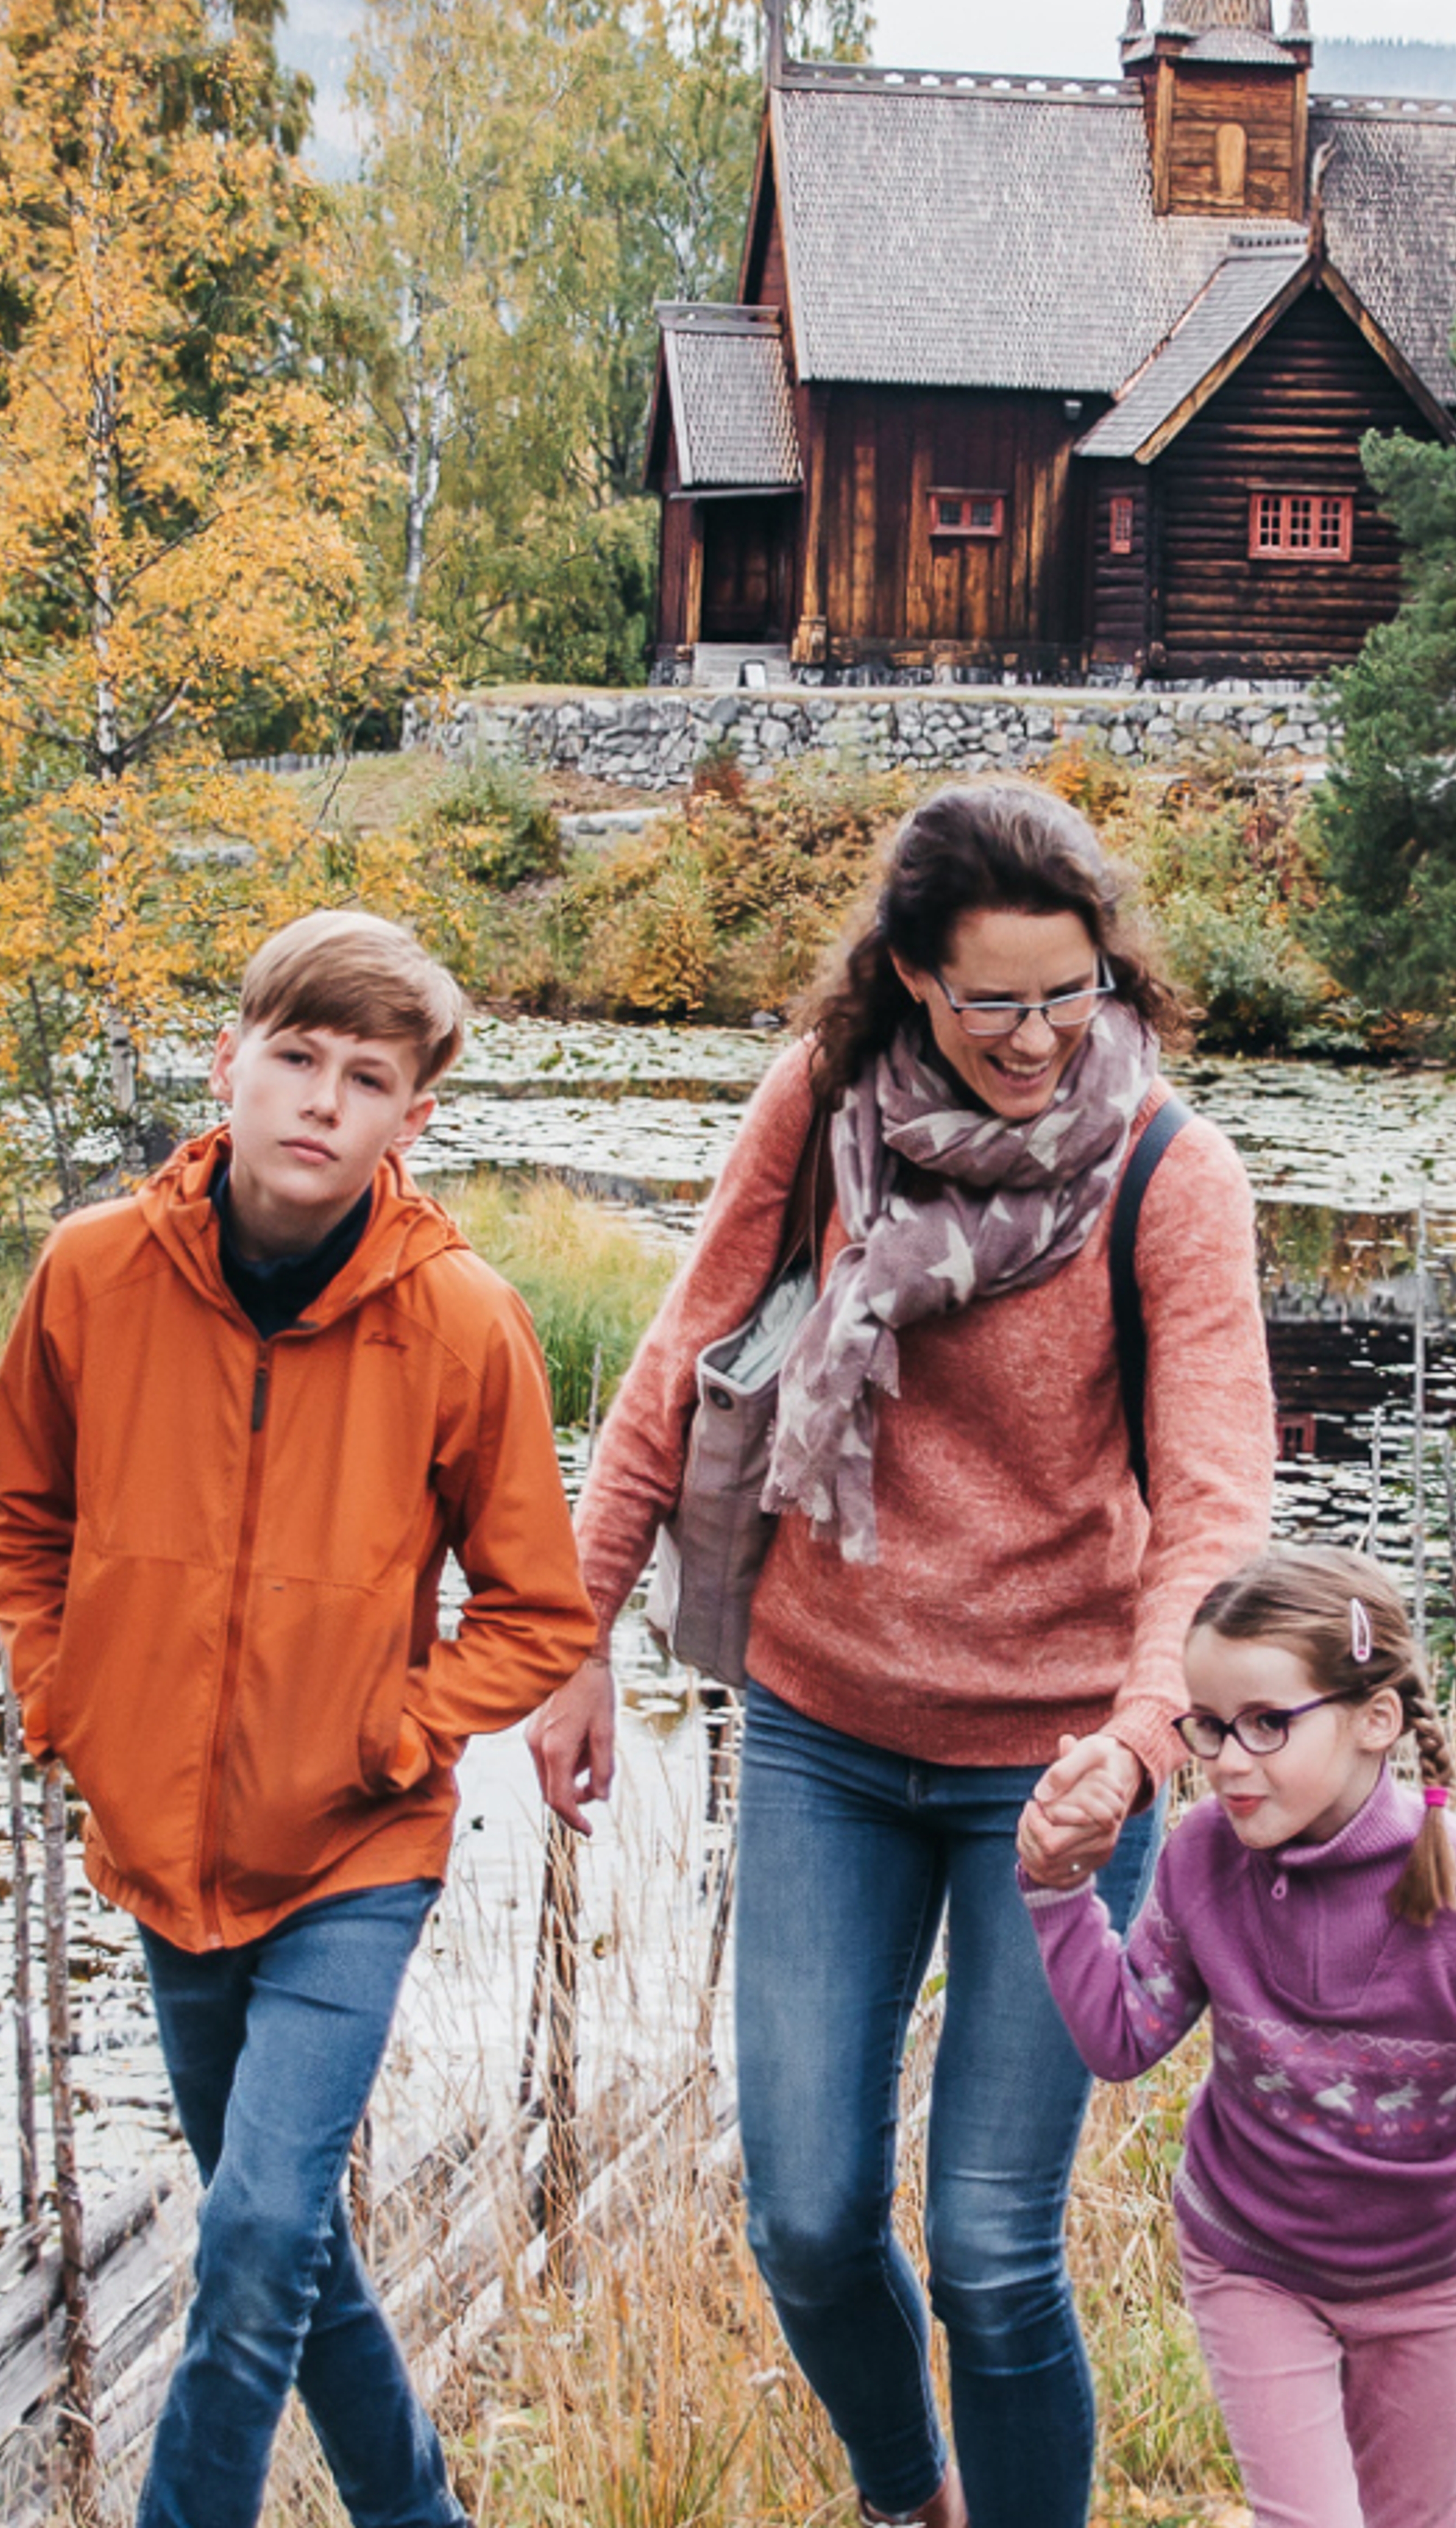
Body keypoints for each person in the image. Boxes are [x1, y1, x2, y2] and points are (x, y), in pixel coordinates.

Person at [527, 779, 1276, 2528]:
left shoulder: (1169, 1169)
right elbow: (681, 1353)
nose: (1035, 1037)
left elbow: (1221, 1496)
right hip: (825, 1727)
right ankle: (907, 2496)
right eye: (991, 1000)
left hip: (1062, 1763)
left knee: (994, 2251)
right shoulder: (823, 1109)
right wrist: (570, 1638)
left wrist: (1147, 1735)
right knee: (802, 2217)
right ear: (912, 983)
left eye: (1069, 992)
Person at [0, 910, 597, 2528]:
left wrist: (399, 1732)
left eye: (367, 1077)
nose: (324, 1101)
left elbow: (539, 1609)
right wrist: (68, 1699)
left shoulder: (460, 1319)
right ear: (230, 1065)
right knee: (290, 2239)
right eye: (299, 1059)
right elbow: (17, 1518)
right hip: (162, 1845)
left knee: (256, 2231)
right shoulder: (92, 1274)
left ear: (415, 1116)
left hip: (353, 1849)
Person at [1019, 1544, 1456, 2528]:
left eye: (1268, 1724)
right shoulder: (1202, 1861)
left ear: (1377, 1721)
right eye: (1210, 1726)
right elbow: (1122, 2040)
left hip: (1424, 2286)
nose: (1229, 1760)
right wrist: (1060, 1894)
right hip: (1251, 2261)